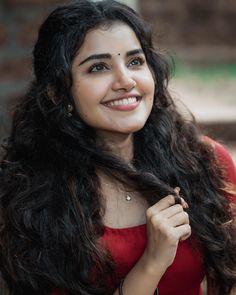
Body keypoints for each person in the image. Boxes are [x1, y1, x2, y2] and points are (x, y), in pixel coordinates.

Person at [0, 0, 235, 294]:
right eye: (98, 67)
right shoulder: (33, 199)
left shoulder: (207, 162)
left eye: (135, 61)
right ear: (59, 92)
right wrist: (152, 262)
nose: (125, 81)